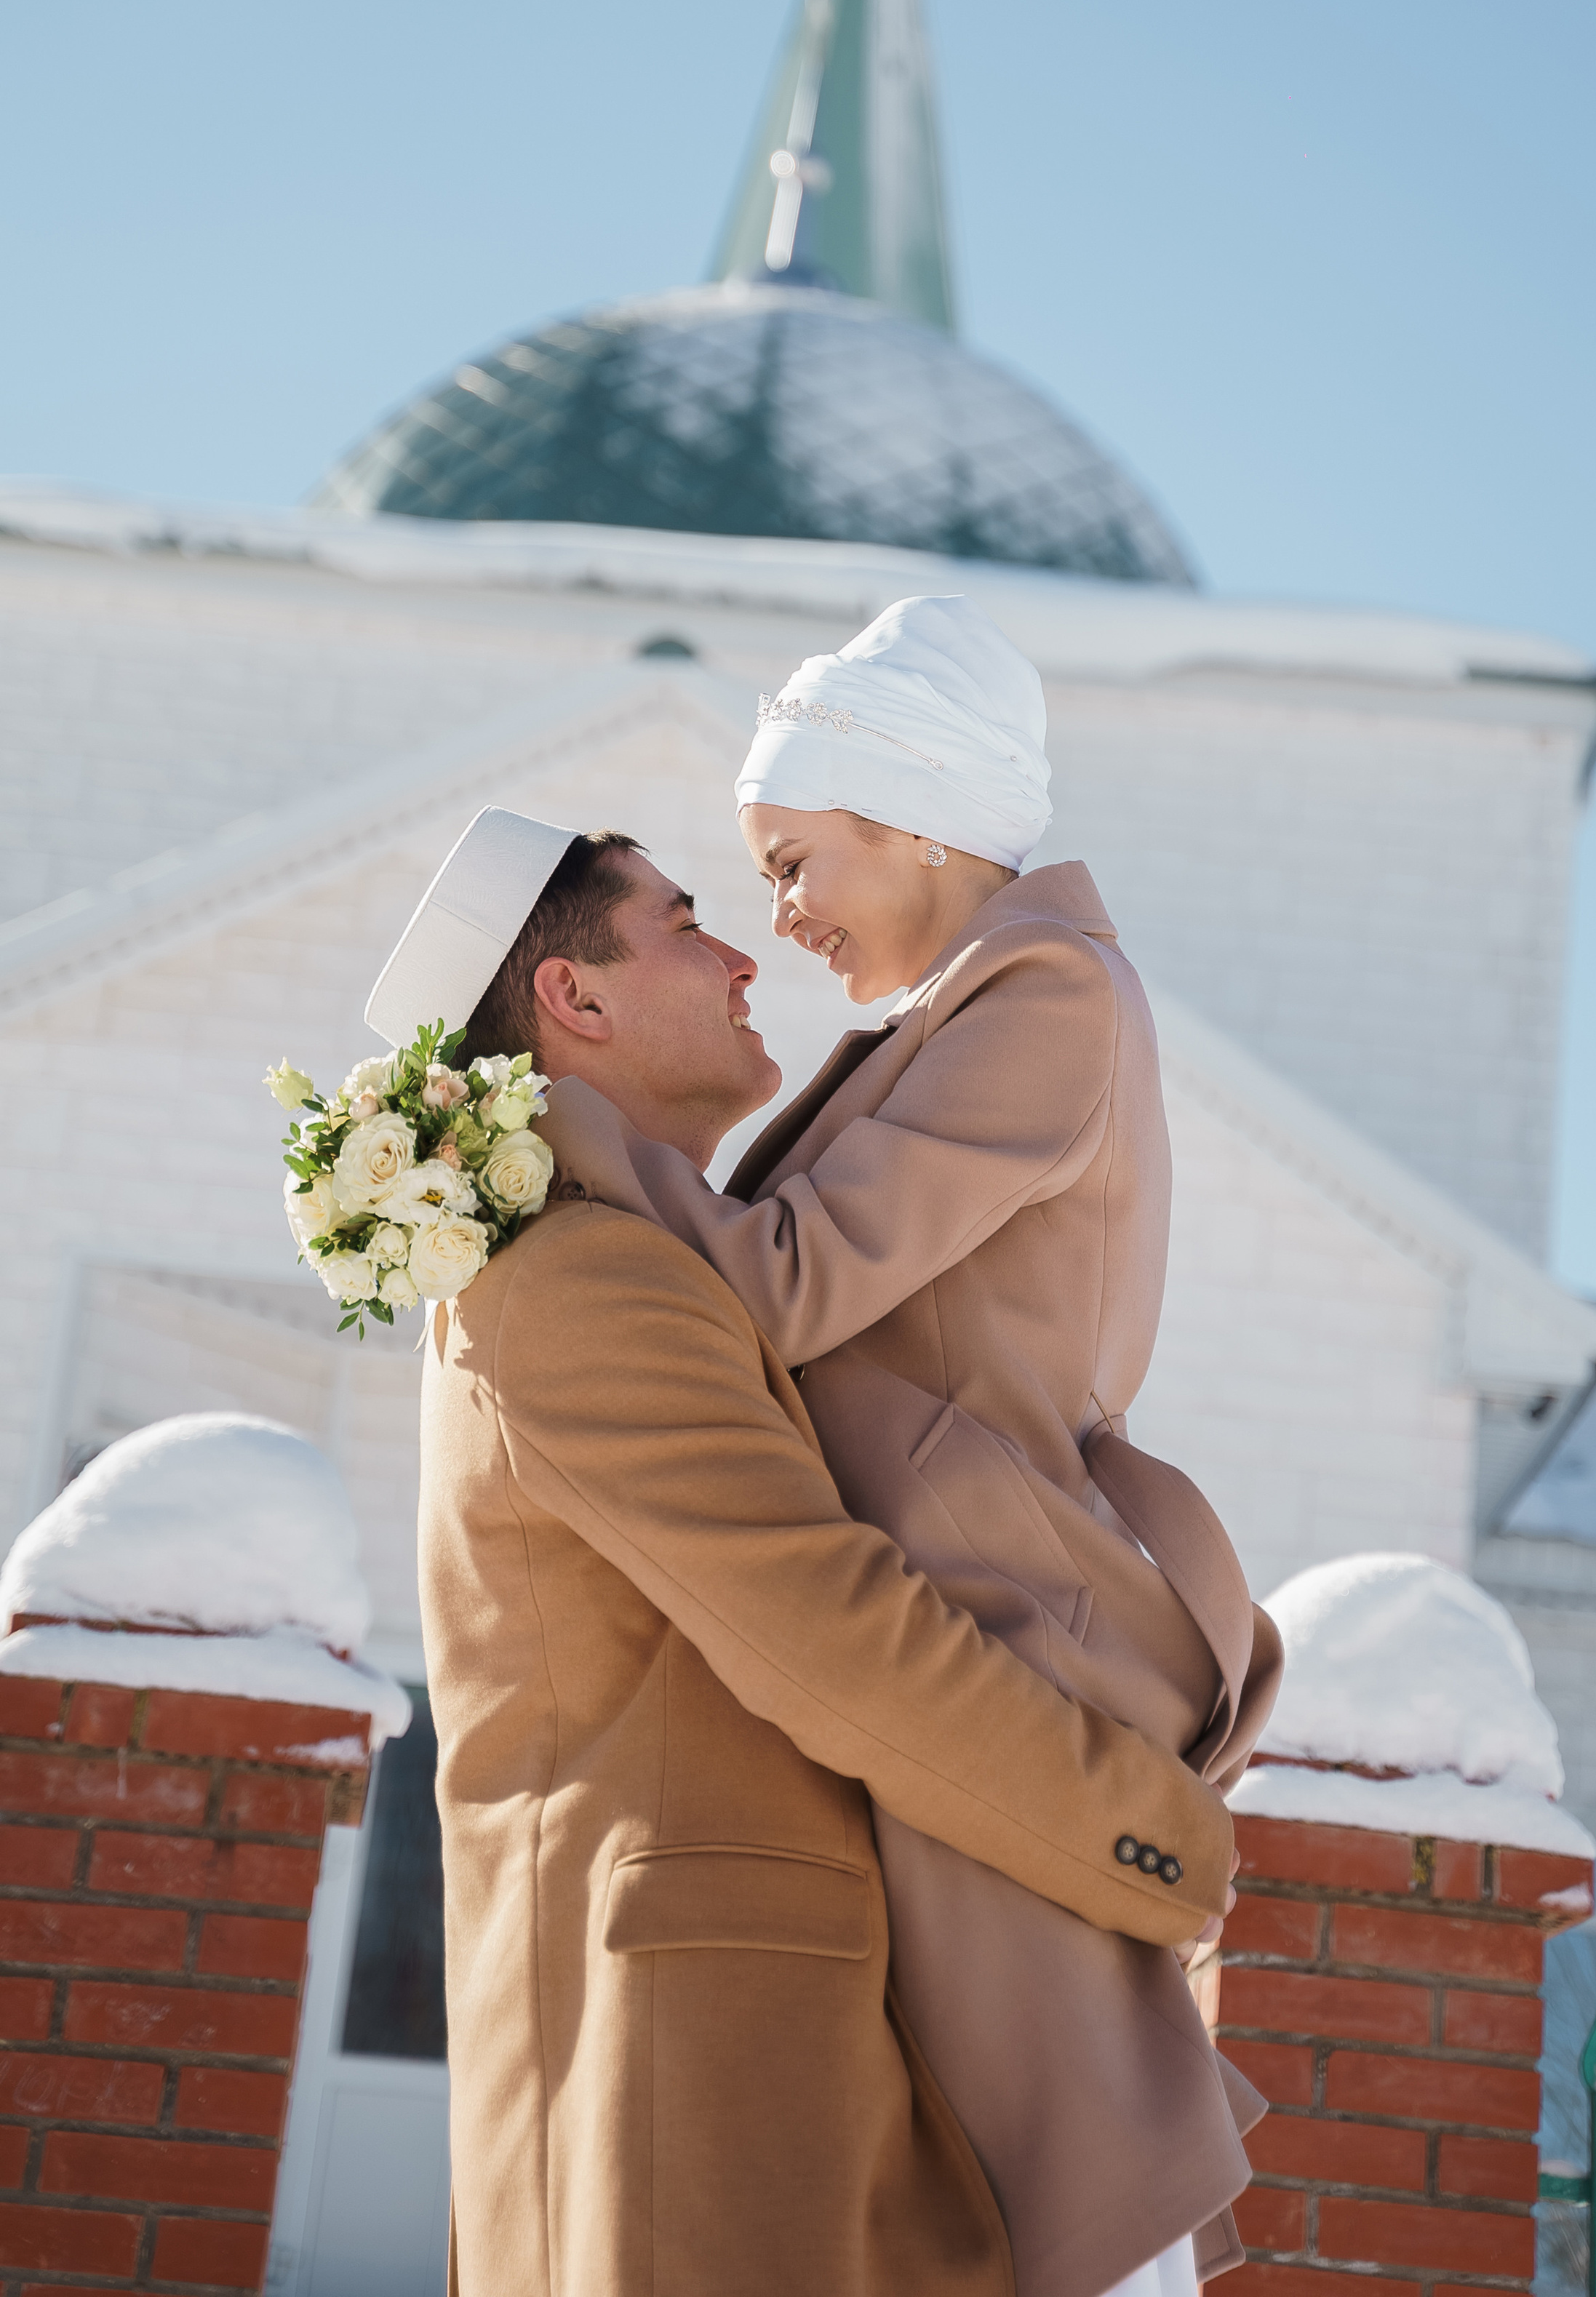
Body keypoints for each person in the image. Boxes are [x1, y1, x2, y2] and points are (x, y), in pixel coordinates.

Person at [373, 805, 1242, 2297]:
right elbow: (832, 1633)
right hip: (689, 2059)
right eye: (686, 920)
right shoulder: (577, 1279)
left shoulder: (633, 1260)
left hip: (758, 2046)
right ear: (572, 1000)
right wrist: (1152, 1844)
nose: (743, 954)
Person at [543, 594, 1283, 2297]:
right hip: (947, 1588)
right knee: (999, 2142)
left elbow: (794, 1283)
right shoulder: (956, 1012)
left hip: (1012, 1601)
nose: (780, 914)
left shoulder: (1049, 1000)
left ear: (913, 823)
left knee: (1069, 2157)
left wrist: (550, 1116)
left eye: (796, 860)